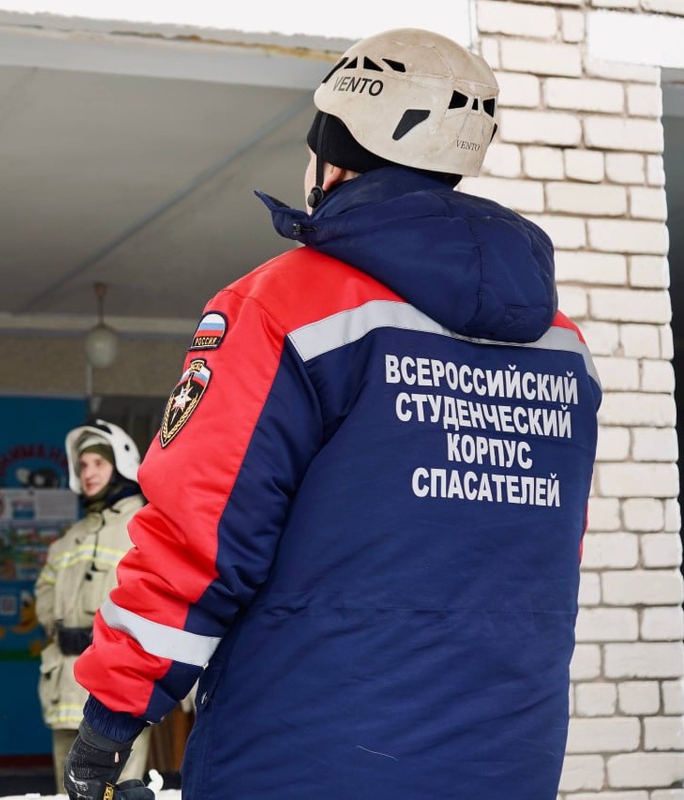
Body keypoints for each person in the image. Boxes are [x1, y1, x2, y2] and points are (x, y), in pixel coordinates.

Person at [63, 28, 601, 800]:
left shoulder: (283, 306)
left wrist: (113, 714)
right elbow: (547, 553)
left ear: (334, 160)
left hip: (307, 756)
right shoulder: (562, 346)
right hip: (509, 756)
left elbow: (199, 537)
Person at [34, 420, 153, 794]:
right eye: (83, 465)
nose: (88, 473)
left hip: (116, 684)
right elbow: (44, 595)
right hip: (66, 680)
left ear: (121, 465)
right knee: (68, 789)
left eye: (98, 463)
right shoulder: (73, 536)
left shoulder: (144, 524)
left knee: (117, 789)